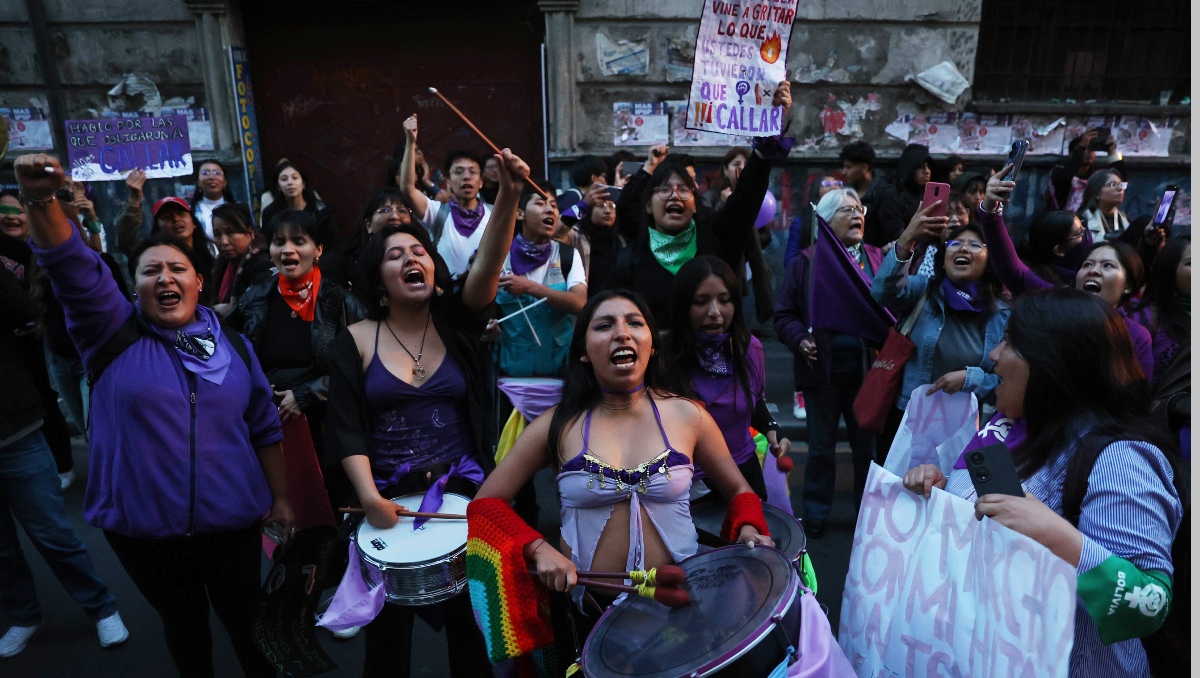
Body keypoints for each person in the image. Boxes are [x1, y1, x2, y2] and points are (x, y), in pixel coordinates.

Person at [17, 152, 293, 678]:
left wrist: (280, 498)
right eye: (151, 271)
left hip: (231, 524)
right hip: (144, 532)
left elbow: (263, 425)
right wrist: (39, 197)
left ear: (198, 282)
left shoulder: (232, 343)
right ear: (135, 286)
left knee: (247, 622)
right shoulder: (109, 333)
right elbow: (72, 265)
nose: (165, 278)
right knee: (185, 627)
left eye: (177, 268)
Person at [470, 289, 772, 661]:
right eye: (604, 325)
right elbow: (486, 503)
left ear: (652, 345)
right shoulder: (556, 425)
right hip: (591, 610)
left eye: (634, 323)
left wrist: (747, 526)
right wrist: (538, 549)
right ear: (583, 351)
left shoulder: (688, 415)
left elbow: (739, 488)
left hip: (682, 597)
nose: (622, 333)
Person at [902, 288, 1183, 677]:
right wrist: (943, 492)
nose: (994, 356)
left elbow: (1147, 607)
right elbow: (999, 513)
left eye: (1010, 342)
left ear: (1054, 362)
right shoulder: (1011, 428)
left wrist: (1056, 535)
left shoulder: (1121, 459)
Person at [325, 149, 529, 678]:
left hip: (464, 498)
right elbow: (345, 426)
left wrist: (507, 194)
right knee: (387, 646)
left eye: (420, 250)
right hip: (387, 505)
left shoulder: (456, 321)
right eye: (395, 255)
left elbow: (486, 268)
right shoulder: (355, 339)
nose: (411, 258)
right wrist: (369, 498)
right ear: (377, 277)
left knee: (473, 637)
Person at [0, 231, 129, 659]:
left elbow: (26, 311)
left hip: (13, 428)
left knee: (52, 531)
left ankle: (101, 607)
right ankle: (23, 614)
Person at [606, 81, 792, 326]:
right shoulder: (630, 258)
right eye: (664, 190)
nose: (675, 195)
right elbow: (628, 206)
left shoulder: (715, 238)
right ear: (649, 206)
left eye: (684, 189)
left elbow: (746, 200)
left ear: (695, 204)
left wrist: (769, 125)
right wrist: (649, 167)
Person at [775, 189, 886, 535]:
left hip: (869, 370)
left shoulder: (876, 258)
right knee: (821, 447)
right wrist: (799, 338)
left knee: (866, 449)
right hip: (822, 369)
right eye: (847, 210)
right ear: (825, 220)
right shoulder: (806, 263)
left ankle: (867, 518)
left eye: (859, 208)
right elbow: (783, 316)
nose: (857, 215)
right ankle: (816, 517)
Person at [230, 209, 366, 486]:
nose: (287, 249)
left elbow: (367, 362)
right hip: (268, 428)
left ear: (317, 250)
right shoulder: (255, 298)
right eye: (279, 242)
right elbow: (228, 350)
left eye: (299, 241)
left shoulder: (340, 302)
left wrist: (308, 393)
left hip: (328, 430)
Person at [981, 169, 1153, 379]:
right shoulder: (1056, 306)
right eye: (1088, 264)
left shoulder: (1137, 335)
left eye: (1108, 266)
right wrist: (990, 212)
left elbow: (1137, 400)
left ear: (1128, 284)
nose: (1094, 271)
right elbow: (1011, 266)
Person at [871, 212, 1011, 456]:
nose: (963, 249)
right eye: (955, 244)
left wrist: (970, 378)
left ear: (990, 260)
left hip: (965, 428)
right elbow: (882, 291)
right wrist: (909, 236)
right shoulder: (923, 290)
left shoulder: (1003, 313)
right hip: (909, 420)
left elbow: (1007, 380)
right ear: (943, 257)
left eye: (975, 245)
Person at [664, 255, 789, 500]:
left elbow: (755, 401)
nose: (715, 312)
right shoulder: (661, 358)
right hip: (686, 487)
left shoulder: (750, 348)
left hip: (744, 478)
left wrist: (773, 427)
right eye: (701, 301)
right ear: (682, 306)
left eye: (725, 300)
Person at [493, 184, 586, 378]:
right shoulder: (499, 255)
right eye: (540, 203)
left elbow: (580, 303)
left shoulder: (568, 254)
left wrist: (530, 288)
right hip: (512, 375)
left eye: (554, 205)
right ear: (520, 214)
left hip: (561, 373)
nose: (550, 209)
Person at [399, 113, 491, 280]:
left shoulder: (495, 216)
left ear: (481, 181)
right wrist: (410, 142)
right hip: (448, 300)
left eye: (472, 172)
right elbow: (407, 189)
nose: (466, 177)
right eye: (459, 172)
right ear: (447, 182)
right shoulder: (436, 213)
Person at [117, 186, 218, 303]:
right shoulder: (151, 256)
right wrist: (134, 200)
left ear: (194, 222)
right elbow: (126, 241)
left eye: (181, 214)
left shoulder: (215, 252)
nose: (176, 219)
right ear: (158, 229)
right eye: (167, 217)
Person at [340, 188, 416, 308]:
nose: (395, 216)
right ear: (369, 225)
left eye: (402, 210)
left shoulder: (425, 254)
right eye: (385, 210)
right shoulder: (345, 263)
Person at [211, 203, 272, 318]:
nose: (224, 242)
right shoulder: (221, 262)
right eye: (217, 234)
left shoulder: (262, 264)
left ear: (251, 233)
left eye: (230, 232)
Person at [561, 192, 626, 296]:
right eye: (601, 206)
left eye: (612, 206)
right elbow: (557, 231)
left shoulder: (621, 240)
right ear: (589, 210)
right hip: (586, 304)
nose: (607, 211)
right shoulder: (575, 236)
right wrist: (583, 206)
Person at [1046, 128, 1126, 213]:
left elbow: (1122, 182)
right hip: (1064, 221)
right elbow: (1065, 179)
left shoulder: (1096, 177)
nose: (1089, 152)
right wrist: (1081, 146)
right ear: (1072, 154)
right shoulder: (1058, 172)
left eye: (1091, 149)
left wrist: (1112, 152)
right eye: (1085, 149)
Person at [875, 143, 932, 247]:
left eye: (928, 166)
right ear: (910, 169)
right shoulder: (894, 196)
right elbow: (896, 232)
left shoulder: (930, 194)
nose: (927, 171)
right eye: (920, 167)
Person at [840, 140, 884, 235]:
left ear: (864, 167)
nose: (843, 172)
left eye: (849, 167)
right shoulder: (846, 192)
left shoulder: (884, 193)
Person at [1078, 170, 1130, 240]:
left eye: (1121, 184)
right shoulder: (1082, 222)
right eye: (1113, 184)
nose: (1120, 188)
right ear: (1097, 193)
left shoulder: (1127, 220)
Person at [191, 160, 235, 239]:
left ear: (225, 182)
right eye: (205, 173)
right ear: (198, 182)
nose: (212, 177)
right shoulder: (190, 211)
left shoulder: (238, 209)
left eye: (217, 173)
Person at [702, 147, 750, 211]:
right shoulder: (710, 197)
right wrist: (723, 203)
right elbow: (709, 220)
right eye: (736, 164)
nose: (742, 168)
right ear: (725, 170)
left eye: (746, 165)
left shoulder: (757, 194)